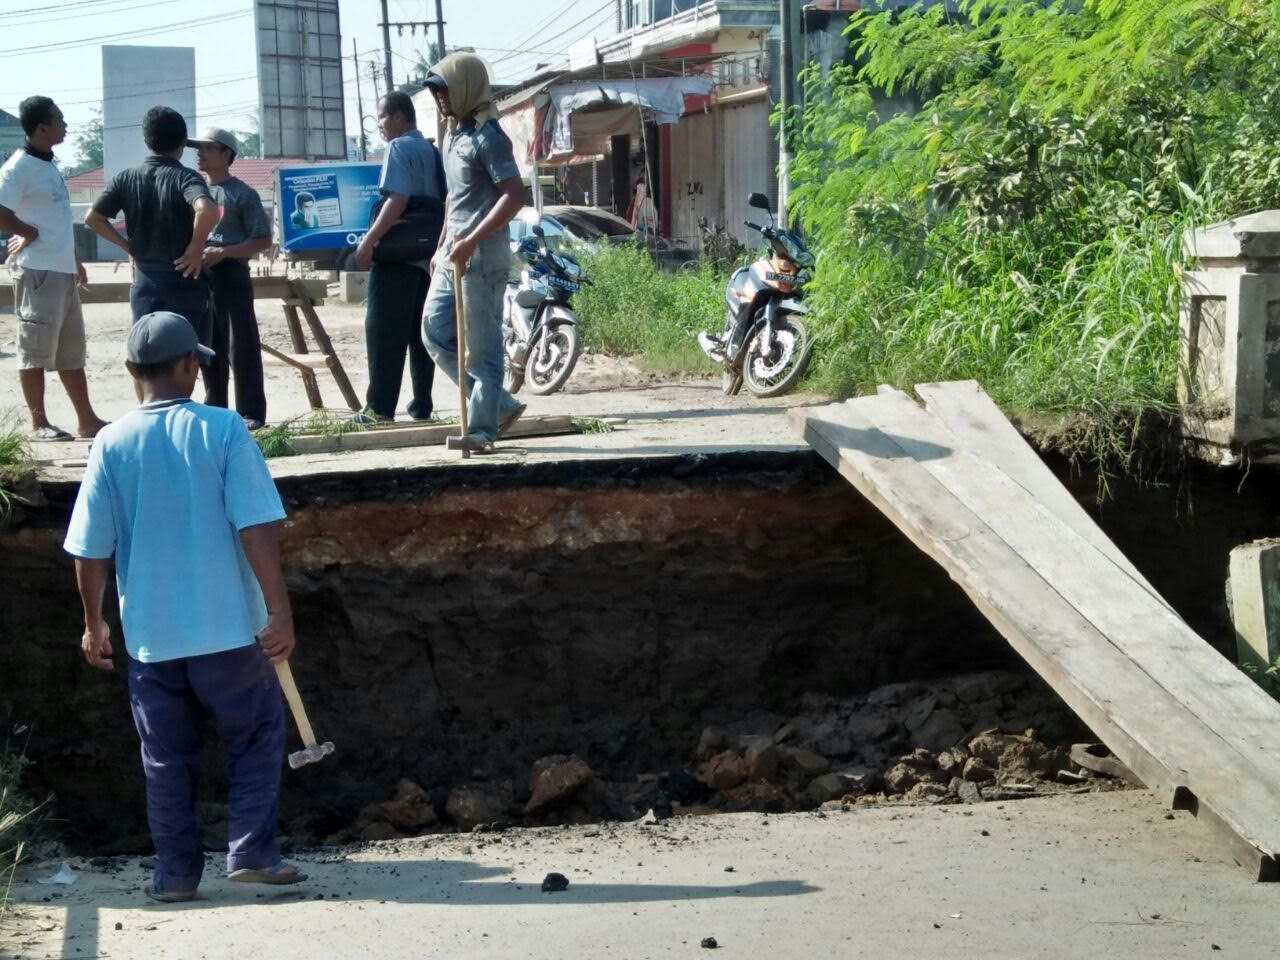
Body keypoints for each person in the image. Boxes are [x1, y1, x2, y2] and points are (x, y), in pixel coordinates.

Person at [63, 311, 305, 902]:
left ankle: (174, 876)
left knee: (166, 759)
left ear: (128, 371)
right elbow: (256, 525)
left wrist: (94, 623)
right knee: (256, 733)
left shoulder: (110, 443)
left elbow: (91, 548)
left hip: (151, 638)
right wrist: (279, 611)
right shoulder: (222, 430)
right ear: (189, 366)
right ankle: (250, 851)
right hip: (228, 633)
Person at [422, 53, 526, 453]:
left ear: (466, 87)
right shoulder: (453, 135)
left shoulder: (490, 137)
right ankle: (499, 405)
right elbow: (454, 198)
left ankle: (482, 431)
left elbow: (514, 197)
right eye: (435, 92)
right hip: (452, 254)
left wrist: (471, 240)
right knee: (433, 332)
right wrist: (442, 245)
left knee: (481, 353)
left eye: (445, 90)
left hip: (482, 259)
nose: (440, 99)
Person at [85, 106, 219, 394]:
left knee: (143, 355)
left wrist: (128, 247)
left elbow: (93, 218)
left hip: (146, 280)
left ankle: (147, 416)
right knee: (186, 355)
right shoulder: (186, 178)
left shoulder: (126, 178)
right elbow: (206, 210)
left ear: (147, 142)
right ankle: (178, 419)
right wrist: (196, 248)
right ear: (183, 143)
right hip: (184, 279)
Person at [0, 95, 108, 440]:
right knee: (34, 351)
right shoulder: (18, 167)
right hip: (37, 273)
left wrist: (72, 259)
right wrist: (25, 232)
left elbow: (53, 220)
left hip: (60, 271)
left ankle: (87, 420)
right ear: (41, 127)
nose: (66, 125)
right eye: (60, 120)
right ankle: (39, 423)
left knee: (71, 351)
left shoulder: (48, 164)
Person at [351, 91, 444, 424]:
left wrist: (368, 240)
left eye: (382, 117)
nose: (380, 125)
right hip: (426, 256)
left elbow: (397, 200)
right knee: (422, 336)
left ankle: (379, 410)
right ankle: (422, 406)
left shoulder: (398, 147)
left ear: (401, 117)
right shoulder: (433, 152)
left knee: (383, 333)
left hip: (396, 258)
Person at [188, 127, 270, 430]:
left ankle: (251, 411)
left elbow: (263, 240)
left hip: (232, 273)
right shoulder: (194, 191)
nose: (200, 154)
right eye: (199, 148)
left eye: (208, 148)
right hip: (201, 274)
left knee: (242, 343)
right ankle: (216, 408)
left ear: (226, 155)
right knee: (209, 343)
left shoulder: (243, 194)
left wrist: (226, 252)